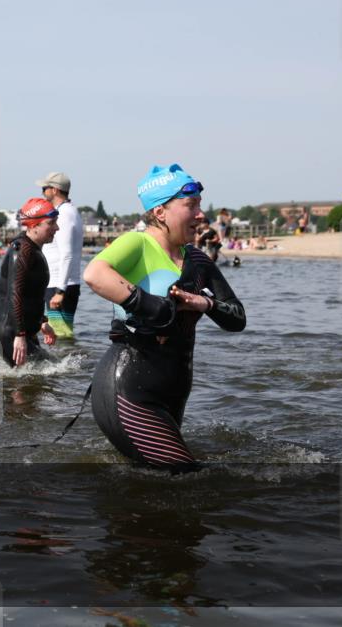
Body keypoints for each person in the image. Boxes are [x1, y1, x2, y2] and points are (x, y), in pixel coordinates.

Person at [83, 164, 246, 472]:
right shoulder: (138, 243)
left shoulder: (198, 260)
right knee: (188, 480)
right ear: (160, 212)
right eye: (191, 205)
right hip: (129, 388)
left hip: (173, 389)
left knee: (162, 486)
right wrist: (153, 307)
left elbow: (237, 318)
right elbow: (94, 274)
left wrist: (205, 304)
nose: (201, 214)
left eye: (199, 204)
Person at [0, 197, 60, 367]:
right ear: (34, 226)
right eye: (51, 223)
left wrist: (42, 322)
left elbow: (32, 294)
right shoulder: (22, 252)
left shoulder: (32, 250)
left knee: (45, 375)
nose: (57, 228)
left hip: (21, 331)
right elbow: (16, 294)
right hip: (10, 333)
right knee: (44, 374)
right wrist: (20, 336)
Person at [38, 172, 84, 341]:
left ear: (55, 190)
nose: (42, 192)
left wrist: (60, 291)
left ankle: (69, 366)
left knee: (60, 336)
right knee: (60, 334)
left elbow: (67, 254)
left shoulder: (64, 214)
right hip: (59, 283)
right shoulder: (66, 211)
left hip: (60, 284)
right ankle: (70, 365)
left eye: (45, 188)